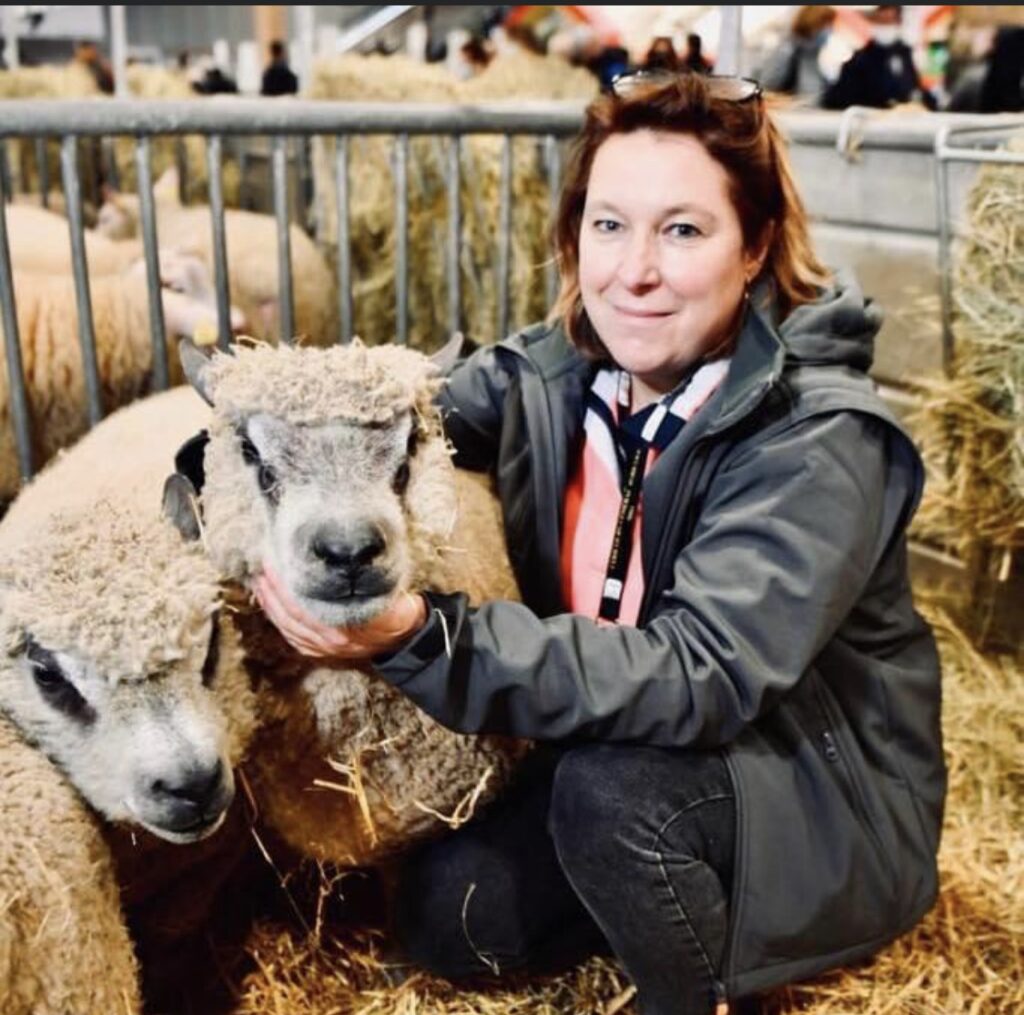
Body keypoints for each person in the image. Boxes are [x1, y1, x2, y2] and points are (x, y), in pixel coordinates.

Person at [254, 72, 946, 1015]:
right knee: (450, 919)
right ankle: (642, 893)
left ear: (756, 250)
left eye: (684, 230)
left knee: (610, 798)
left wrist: (426, 640)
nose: (635, 269)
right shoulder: (553, 375)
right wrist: (235, 453)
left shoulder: (817, 435)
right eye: (610, 225)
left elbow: (700, 675)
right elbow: (390, 418)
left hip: (816, 797)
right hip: (614, 749)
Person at [823, 5, 936, 110]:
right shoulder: (859, 62)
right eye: (882, 20)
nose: (888, 21)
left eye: (893, 19)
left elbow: (914, 89)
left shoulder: (904, 54)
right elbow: (838, 99)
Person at [758, 5, 836, 104]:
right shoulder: (786, 51)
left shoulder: (812, 54)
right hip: (789, 114)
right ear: (815, 23)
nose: (830, 31)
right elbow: (766, 90)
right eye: (827, 25)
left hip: (807, 115)